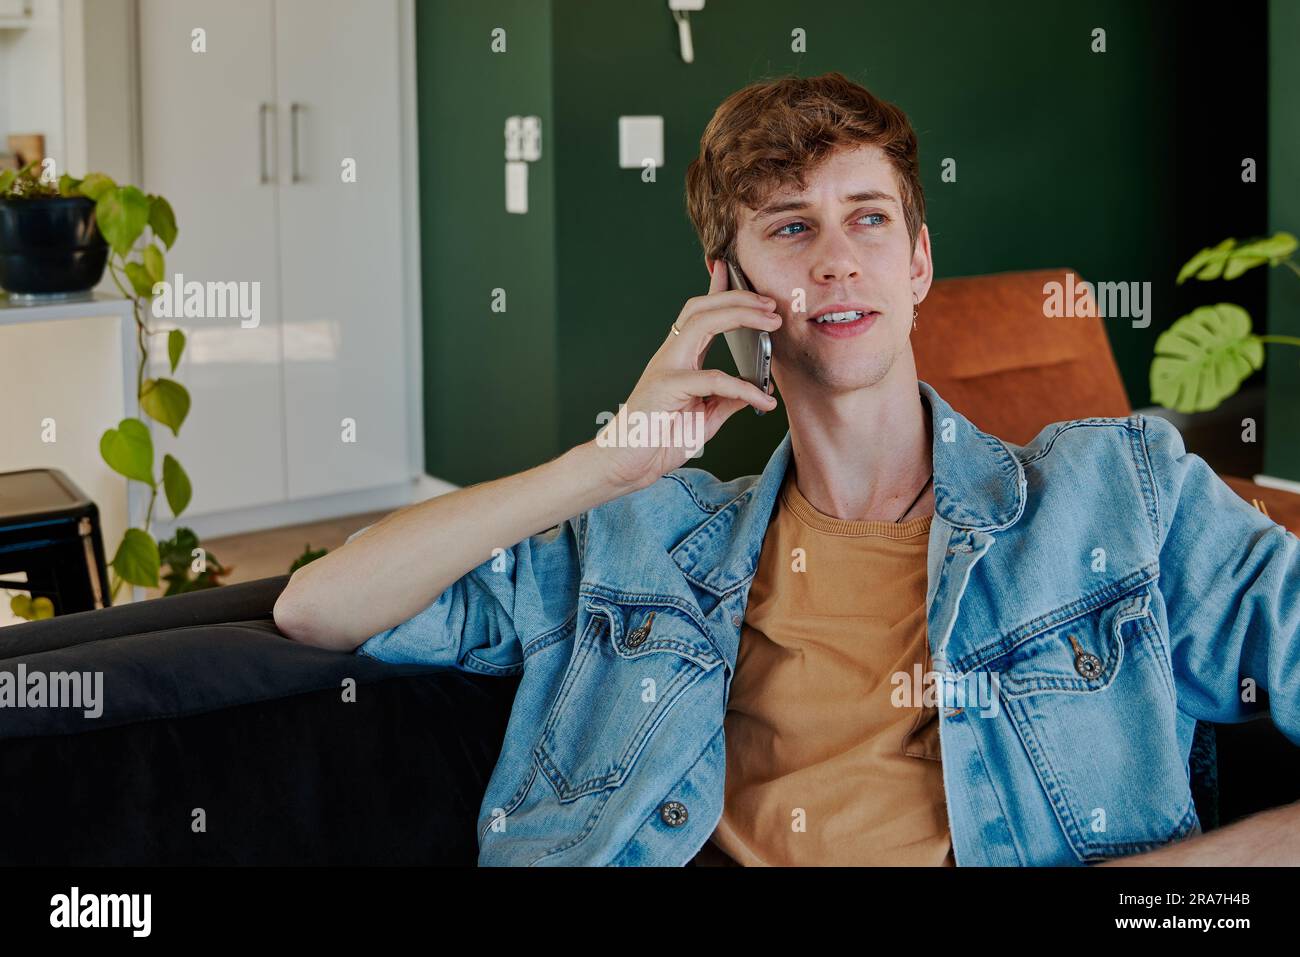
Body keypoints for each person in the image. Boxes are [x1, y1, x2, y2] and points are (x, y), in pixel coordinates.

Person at [273, 72, 1300, 867]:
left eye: (867, 218)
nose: (836, 260)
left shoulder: (1115, 493)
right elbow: (320, 608)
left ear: (917, 264)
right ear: (728, 288)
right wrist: (602, 464)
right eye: (790, 228)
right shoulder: (644, 539)